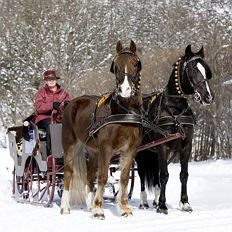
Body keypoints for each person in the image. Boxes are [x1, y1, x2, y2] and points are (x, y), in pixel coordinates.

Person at [34, 70, 71, 153]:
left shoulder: (64, 93)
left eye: (53, 79)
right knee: (52, 126)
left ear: (56, 80)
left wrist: (65, 105)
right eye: (49, 80)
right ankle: (52, 151)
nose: (51, 81)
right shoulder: (41, 93)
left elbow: (69, 104)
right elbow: (39, 108)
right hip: (44, 118)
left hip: (60, 118)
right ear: (46, 81)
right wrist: (52, 105)